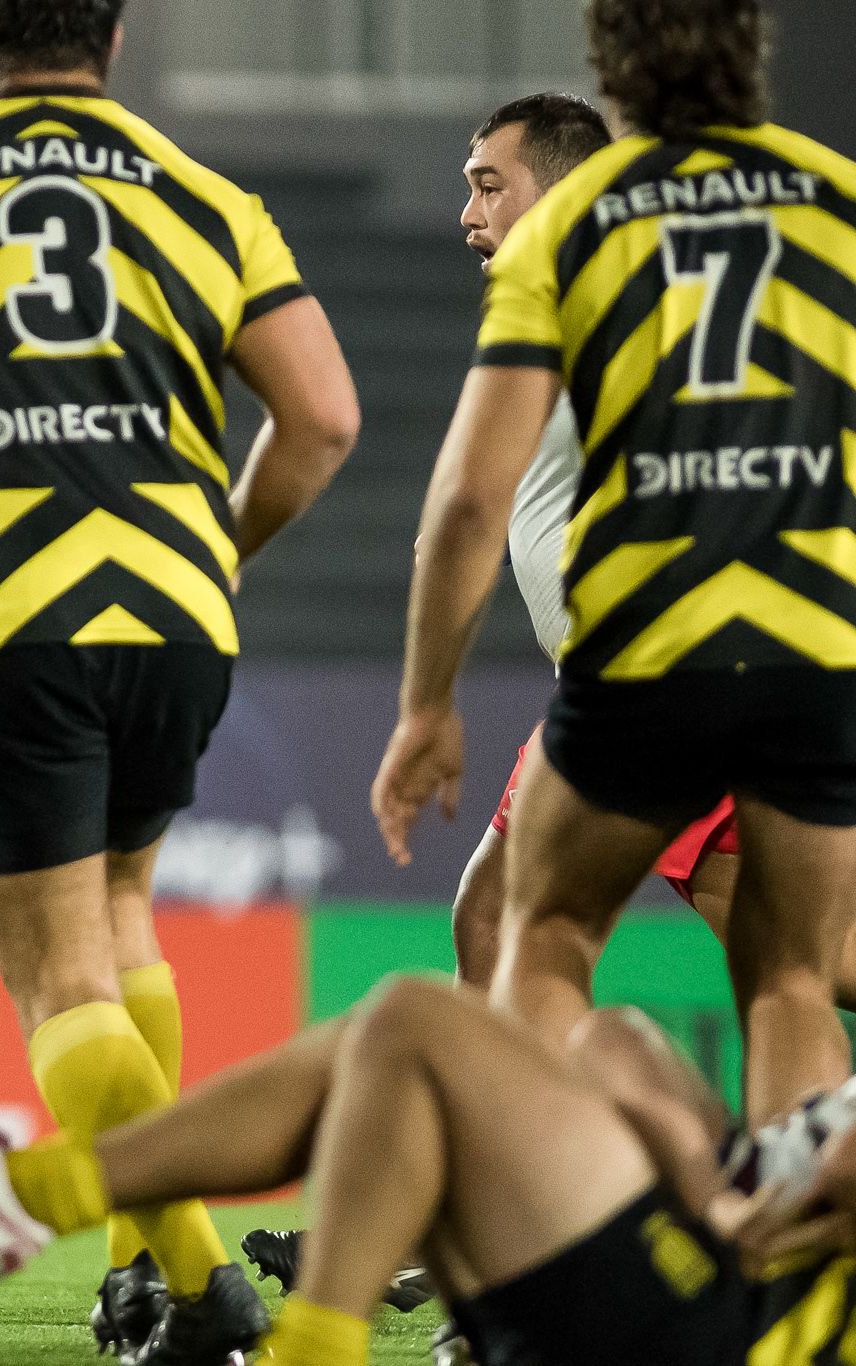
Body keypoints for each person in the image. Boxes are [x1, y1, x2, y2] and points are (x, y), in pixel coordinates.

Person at [0, 1, 358, 1359]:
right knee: (124, 915)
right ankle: (135, 1274)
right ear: (114, 32)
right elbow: (323, 414)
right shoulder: (208, 198)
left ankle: (205, 1289)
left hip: (6, 617)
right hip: (174, 616)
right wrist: (212, 542)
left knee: (59, 981)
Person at [373, 0, 856, 1129]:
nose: (470, 215)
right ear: (752, 54)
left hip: (643, 649)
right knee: (787, 973)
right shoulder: (833, 198)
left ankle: (538, 1243)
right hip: (799, 644)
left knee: (538, 936)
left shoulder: (578, 227)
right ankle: (783, 1261)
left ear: (610, 76)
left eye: (486, 185)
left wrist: (424, 704)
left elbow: (462, 499)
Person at [0, 974, 856, 1366]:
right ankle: (26, 1193)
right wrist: (700, 1169)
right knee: (385, 1052)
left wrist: (725, 1194)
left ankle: (32, 1197)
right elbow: (611, 1043)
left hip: (740, 1327)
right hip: (708, 1260)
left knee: (412, 1029)